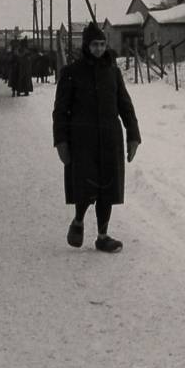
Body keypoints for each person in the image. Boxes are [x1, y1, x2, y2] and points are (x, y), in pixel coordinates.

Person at [52, 22, 141, 253]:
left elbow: (125, 105)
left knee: (107, 188)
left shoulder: (113, 72)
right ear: (86, 46)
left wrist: (133, 135)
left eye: (102, 44)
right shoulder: (71, 73)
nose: (99, 49)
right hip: (82, 140)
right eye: (94, 45)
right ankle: (78, 220)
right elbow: (60, 110)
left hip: (110, 138)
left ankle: (102, 236)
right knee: (85, 184)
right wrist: (61, 141)